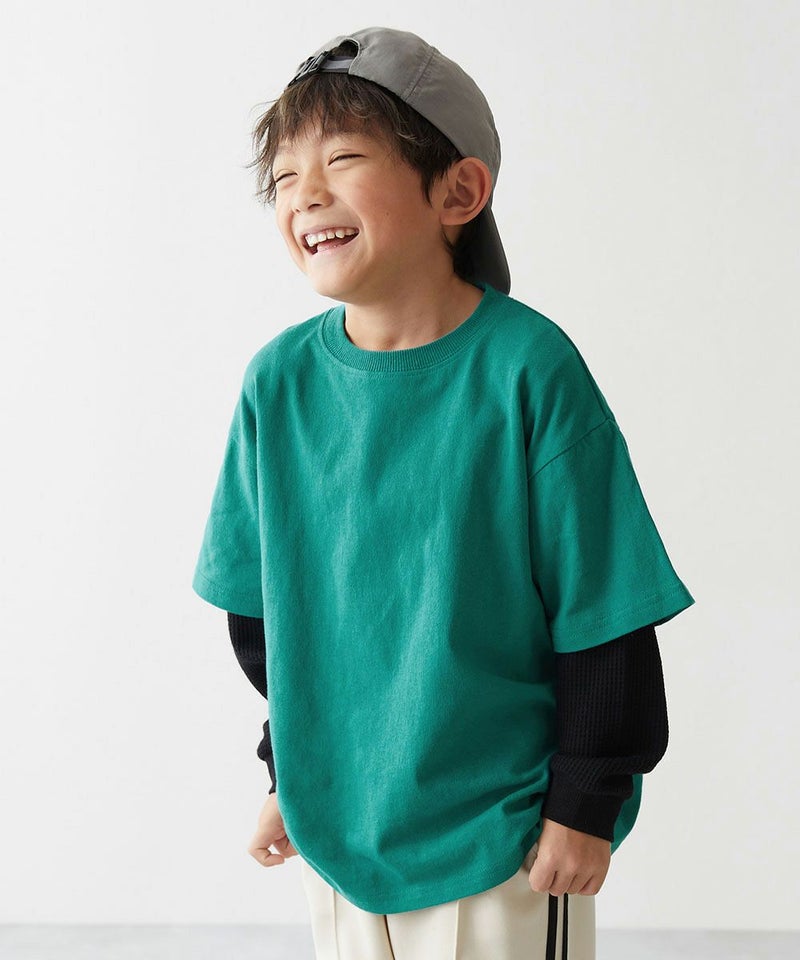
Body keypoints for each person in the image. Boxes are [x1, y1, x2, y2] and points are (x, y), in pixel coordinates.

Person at [192, 26, 695, 960]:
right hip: (340, 826)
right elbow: (267, 619)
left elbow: (605, 610)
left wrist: (586, 801)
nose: (306, 194)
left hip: (504, 832)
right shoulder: (278, 386)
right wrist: (287, 768)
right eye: (286, 175)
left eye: (343, 160)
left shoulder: (527, 370)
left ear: (458, 192)